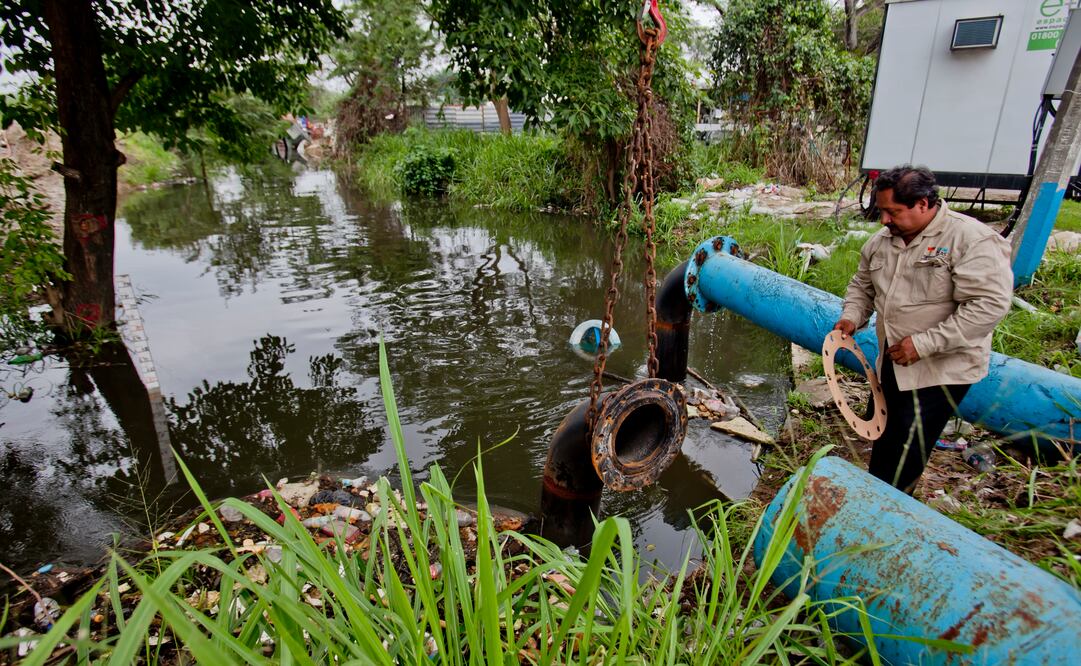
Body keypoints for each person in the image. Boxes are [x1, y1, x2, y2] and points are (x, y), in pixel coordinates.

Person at [833, 165, 1013, 494]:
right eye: (881, 211)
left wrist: (923, 344)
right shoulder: (881, 243)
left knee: (907, 448)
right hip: (893, 360)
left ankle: (892, 506)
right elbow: (862, 287)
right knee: (885, 433)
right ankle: (877, 493)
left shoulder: (970, 240)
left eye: (892, 212)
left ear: (923, 204)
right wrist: (851, 317)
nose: (884, 220)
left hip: (939, 370)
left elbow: (988, 305)